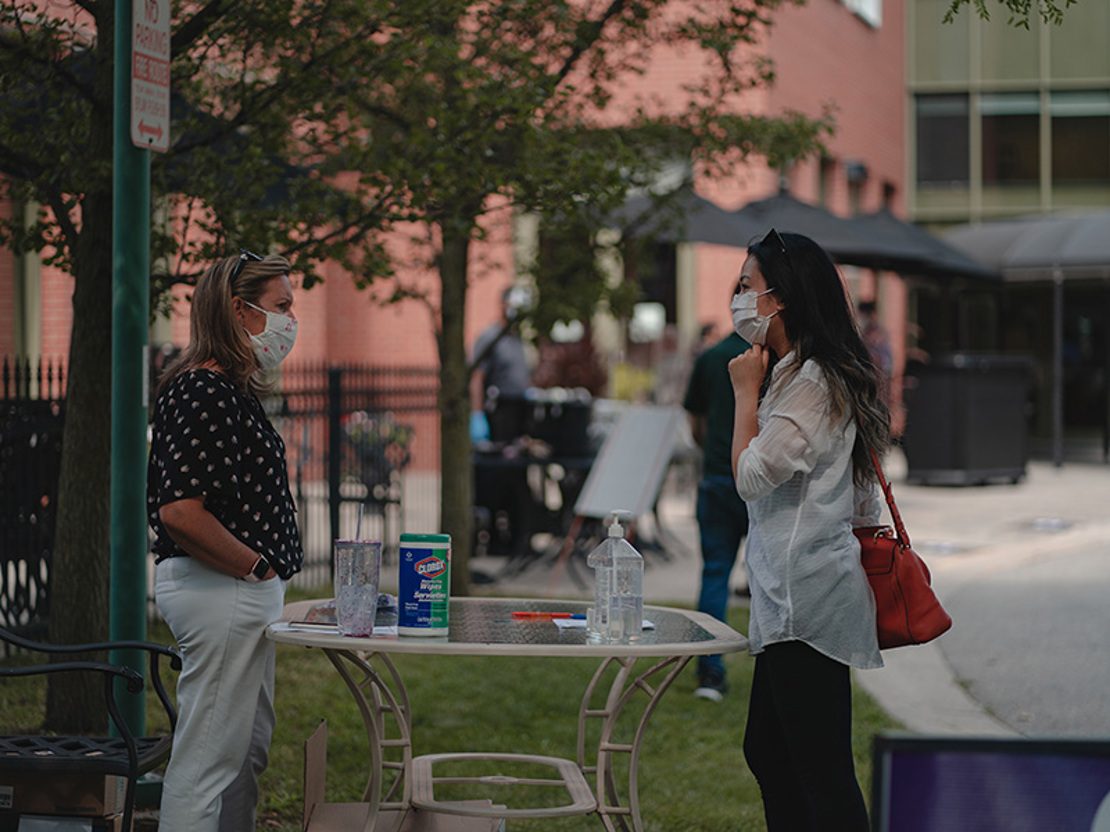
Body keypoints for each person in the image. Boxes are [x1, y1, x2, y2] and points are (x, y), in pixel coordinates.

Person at [728, 229, 890, 831]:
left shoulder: (814, 383)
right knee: (769, 753)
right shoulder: (797, 374)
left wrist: (745, 395)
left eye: (746, 286)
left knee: (819, 771)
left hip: (808, 599)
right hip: (789, 597)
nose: (738, 299)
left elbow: (751, 475)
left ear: (782, 297)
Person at [147, 250, 304, 832]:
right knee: (207, 760)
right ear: (239, 310)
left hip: (237, 591)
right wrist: (256, 566)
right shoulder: (203, 390)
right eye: (281, 306)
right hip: (223, 590)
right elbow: (182, 512)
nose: (292, 319)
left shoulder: (227, 390)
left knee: (243, 752)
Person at [682, 297, 751, 702]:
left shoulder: (711, 358)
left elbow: (695, 420)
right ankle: (773, 670)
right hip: (763, 486)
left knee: (714, 575)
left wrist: (713, 449)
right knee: (769, 584)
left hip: (718, 478)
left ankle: (710, 672)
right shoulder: (775, 358)